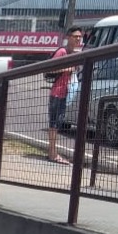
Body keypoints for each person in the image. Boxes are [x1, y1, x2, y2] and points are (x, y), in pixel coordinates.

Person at [47, 26, 83, 164]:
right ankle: (52, 153)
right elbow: (51, 67)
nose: (78, 39)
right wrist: (69, 69)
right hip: (57, 92)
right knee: (54, 124)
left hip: (65, 92)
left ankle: (53, 152)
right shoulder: (62, 51)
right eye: (75, 36)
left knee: (58, 123)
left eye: (80, 37)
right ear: (68, 37)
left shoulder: (72, 53)